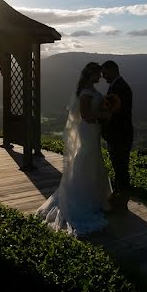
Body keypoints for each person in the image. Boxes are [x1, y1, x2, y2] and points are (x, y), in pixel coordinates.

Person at [36, 62, 113, 236]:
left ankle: (94, 198)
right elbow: (85, 116)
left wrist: (104, 108)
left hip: (93, 131)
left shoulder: (90, 91)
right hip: (88, 130)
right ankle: (81, 198)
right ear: (91, 74)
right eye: (97, 74)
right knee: (85, 159)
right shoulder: (86, 93)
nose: (100, 76)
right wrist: (104, 114)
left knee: (92, 160)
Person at [101, 60, 133, 210]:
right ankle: (120, 198)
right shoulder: (117, 86)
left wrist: (100, 118)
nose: (103, 76)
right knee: (119, 167)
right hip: (119, 134)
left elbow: (115, 113)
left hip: (120, 135)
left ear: (112, 70)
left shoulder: (120, 88)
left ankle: (122, 201)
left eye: (105, 73)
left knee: (121, 168)